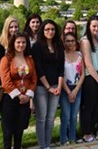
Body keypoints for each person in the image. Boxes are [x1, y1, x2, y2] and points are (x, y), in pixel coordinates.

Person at [0, 32, 37, 149]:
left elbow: (34, 79)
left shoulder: (29, 59)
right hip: (9, 99)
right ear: (13, 43)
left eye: (23, 42)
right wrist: (19, 95)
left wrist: (28, 95)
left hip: (25, 99)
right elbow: (5, 81)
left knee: (19, 129)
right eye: (18, 42)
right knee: (8, 130)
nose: (21, 45)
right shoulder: (6, 59)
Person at [31, 20, 64, 149]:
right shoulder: (37, 46)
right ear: (42, 31)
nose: (50, 32)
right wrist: (48, 87)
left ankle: (48, 144)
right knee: (41, 118)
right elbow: (38, 69)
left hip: (56, 86)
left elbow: (61, 68)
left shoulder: (58, 45)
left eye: (52, 29)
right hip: (41, 87)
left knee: (51, 118)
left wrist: (59, 86)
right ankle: (42, 145)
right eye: (47, 29)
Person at [80, 16, 98, 142]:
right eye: (94, 26)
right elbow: (88, 64)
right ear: (89, 27)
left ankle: (91, 129)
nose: (96, 28)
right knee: (89, 106)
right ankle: (87, 133)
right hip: (90, 77)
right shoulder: (85, 41)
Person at [60, 32, 85, 146]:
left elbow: (82, 74)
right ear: (64, 42)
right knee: (66, 115)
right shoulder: (61, 56)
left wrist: (75, 90)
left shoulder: (80, 55)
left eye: (72, 41)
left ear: (76, 42)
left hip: (77, 87)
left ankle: (72, 138)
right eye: (68, 41)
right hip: (65, 88)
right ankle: (63, 139)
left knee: (74, 115)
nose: (70, 43)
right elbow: (61, 75)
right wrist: (69, 92)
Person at [0, 16, 20, 84]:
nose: (14, 29)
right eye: (11, 27)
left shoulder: (21, 41)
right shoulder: (0, 43)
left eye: (16, 27)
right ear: (6, 28)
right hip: (5, 77)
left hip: (19, 75)